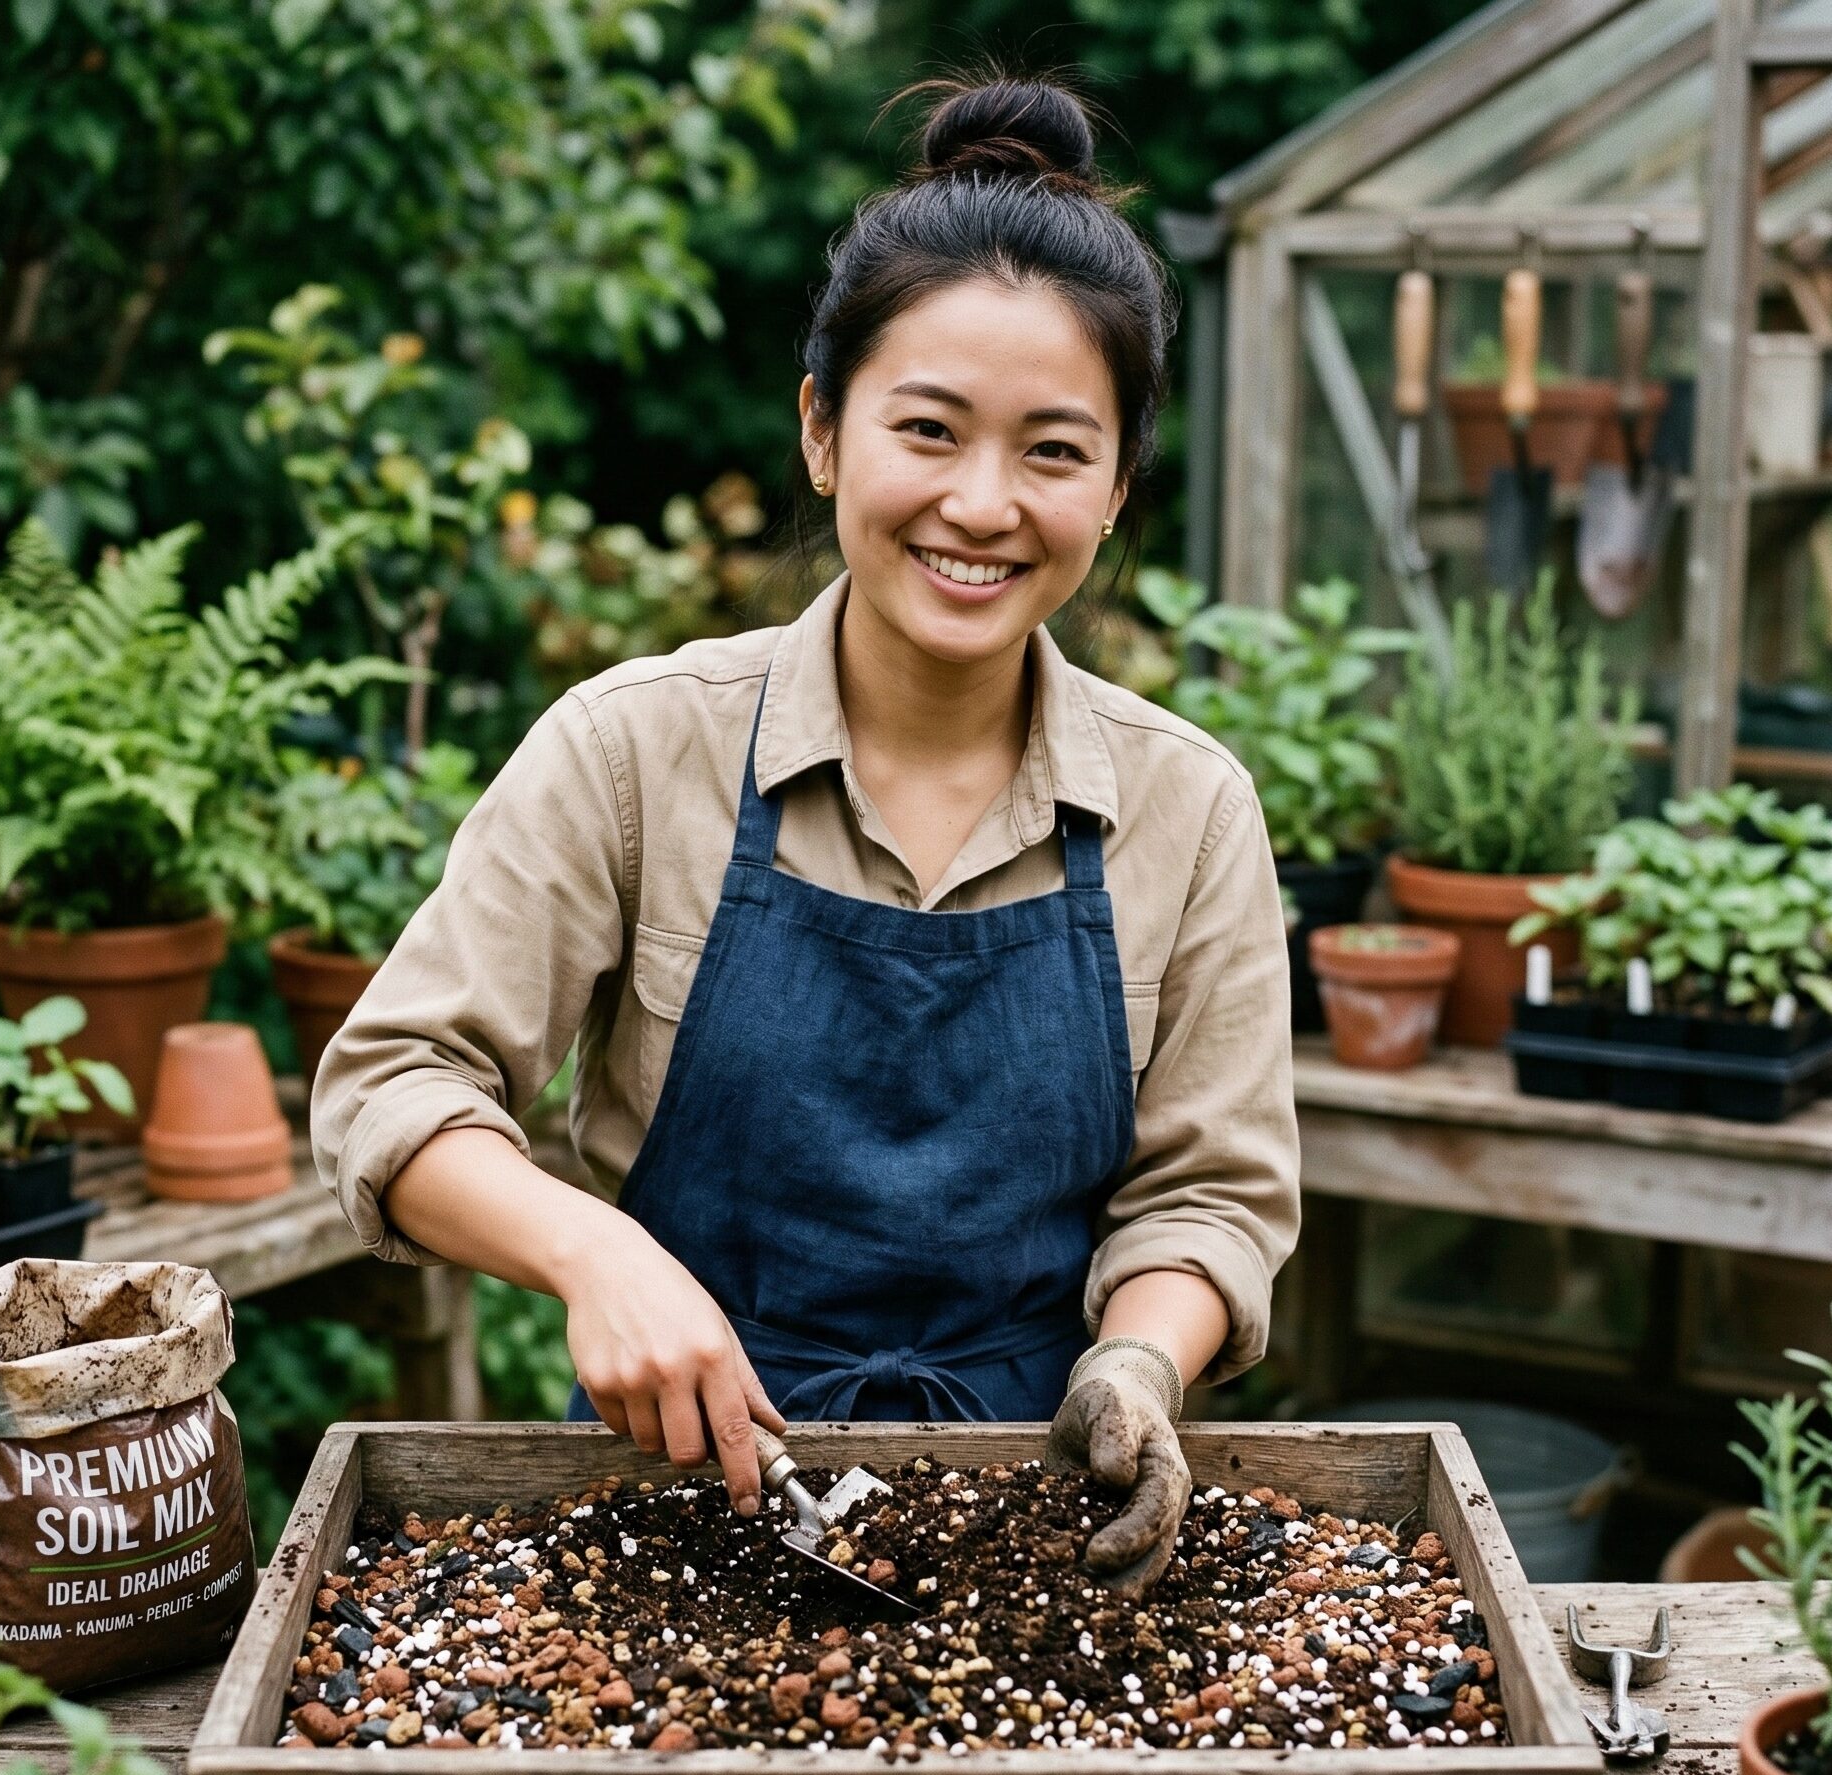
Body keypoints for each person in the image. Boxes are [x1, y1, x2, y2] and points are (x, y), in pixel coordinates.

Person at [312, 73, 1300, 1597]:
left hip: (1040, 1526)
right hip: (676, 1498)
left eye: (1053, 450)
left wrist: (1136, 1366)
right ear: (825, 433)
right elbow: (396, 1084)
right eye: (929, 429)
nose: (983, 503)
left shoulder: (1187, 806)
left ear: (1115, 490)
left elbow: (1210, 1195)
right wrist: (597, 1256)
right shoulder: (637, 751)